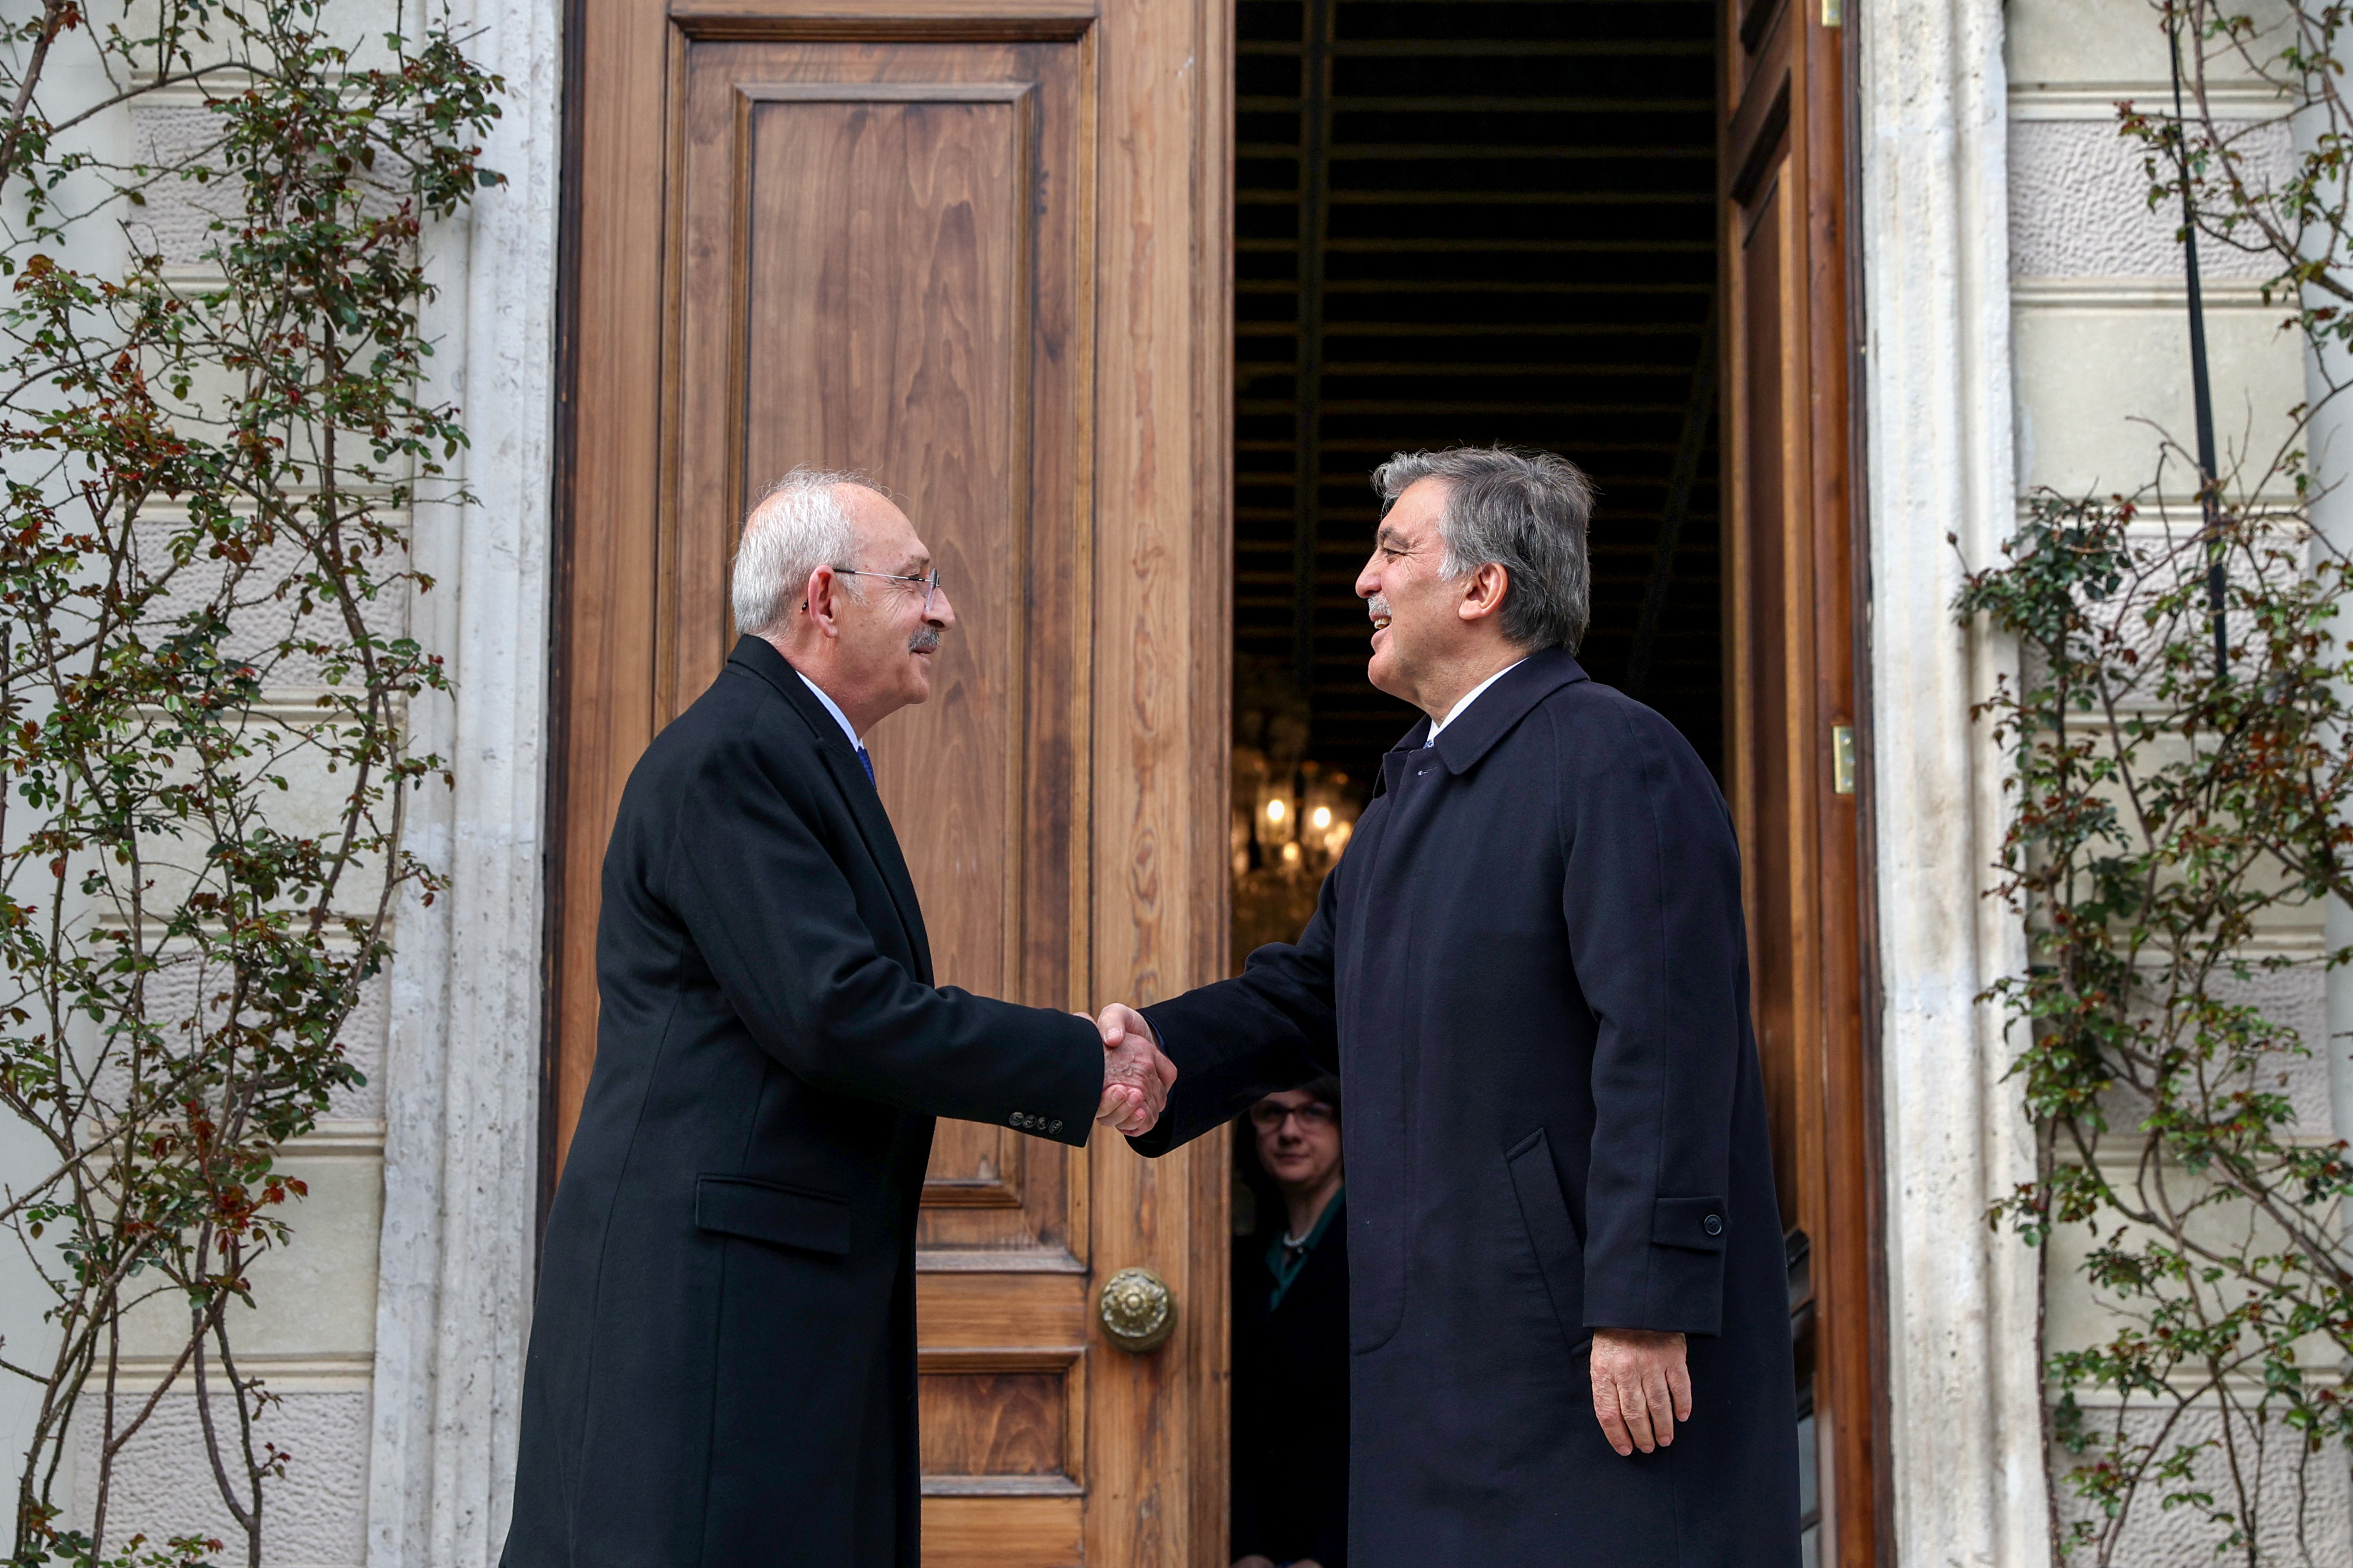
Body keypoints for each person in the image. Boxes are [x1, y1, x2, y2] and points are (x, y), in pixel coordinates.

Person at [1101, 446, 1800, 1565]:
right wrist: (1163, 1051)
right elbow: (1307, 994)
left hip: (1580, 1361)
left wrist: (1639, 1303)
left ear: (1482, 588)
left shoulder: (1611, 754)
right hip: (1435, 1366)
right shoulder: (1399, 804)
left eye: (1391, 550)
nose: (1361, 583)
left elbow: (1665, 1044)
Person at [500, 469, 1176, 1568]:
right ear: (823, 598)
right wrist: (1077, 1060)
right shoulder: (736, 754)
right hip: (712, 1319)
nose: (941, 610)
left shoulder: (796, 750)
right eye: (916, 580)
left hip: (774, 1301)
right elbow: (833, 1008)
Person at [1230, 1080, 1349, 1568]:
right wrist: (1245, 1547)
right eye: (1270, 1112)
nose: (1290, 1131)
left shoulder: (1375, 1254)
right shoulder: (1240, 1260)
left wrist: (1326, 1556)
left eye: (1314, 1112)